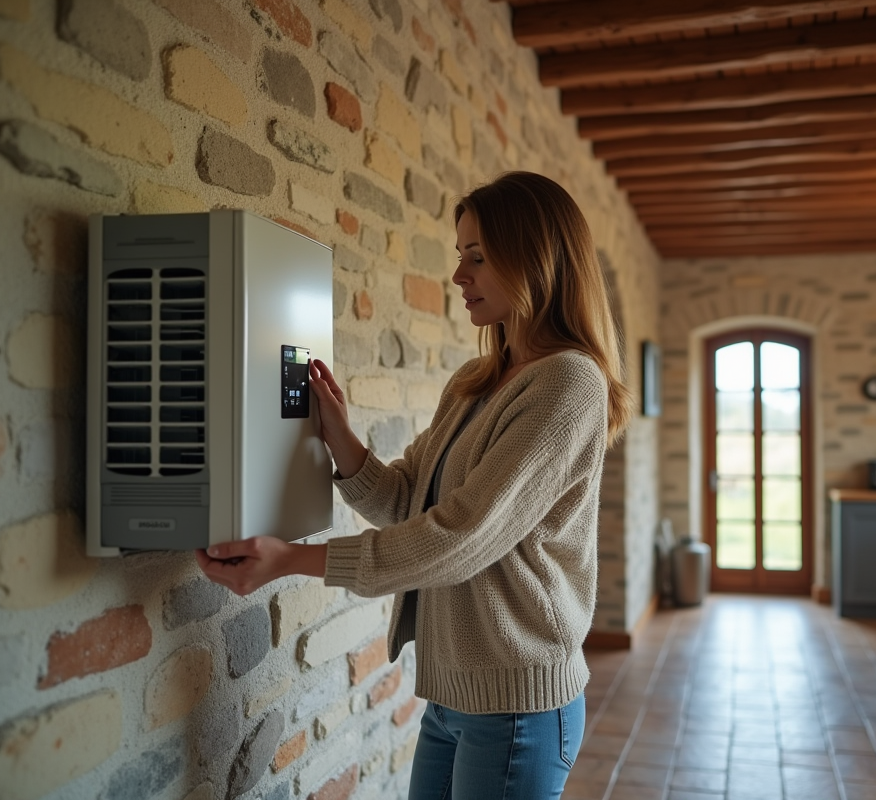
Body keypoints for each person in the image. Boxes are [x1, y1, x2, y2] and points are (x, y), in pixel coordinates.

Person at [197, 171, 632, 799]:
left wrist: (290, 559)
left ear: (535, 260)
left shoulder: (568, 385)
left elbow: (459, 539)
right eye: (461, 257)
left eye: (477, 258)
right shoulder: (474, 382)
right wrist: (339, 439)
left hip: (519, 709)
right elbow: (410, 499)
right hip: (453, 695)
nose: (459, 275)